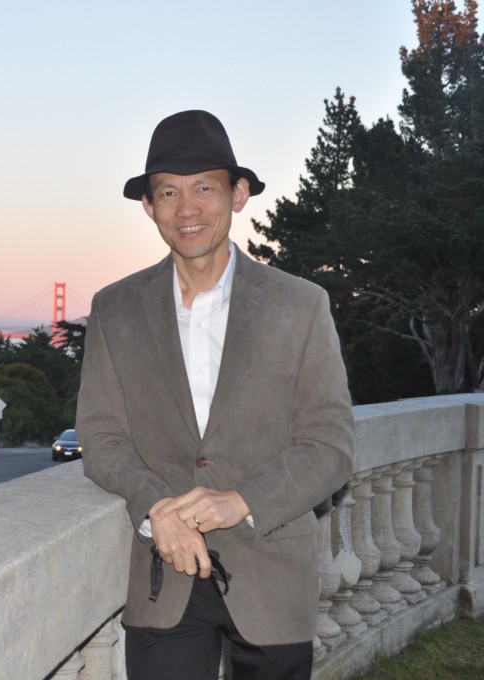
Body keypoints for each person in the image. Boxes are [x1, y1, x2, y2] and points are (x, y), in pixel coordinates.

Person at [76, 110, 355, 680]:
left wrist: (240, 499)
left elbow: (330, 445)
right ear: (149, 208)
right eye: (168, 193)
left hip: (273, 569)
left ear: (239, 194)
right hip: (164, 576)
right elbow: (102, 437)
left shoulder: (300, 305)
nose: (188, 209)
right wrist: (156, 508)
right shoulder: (114, 309)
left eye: (205, 187)